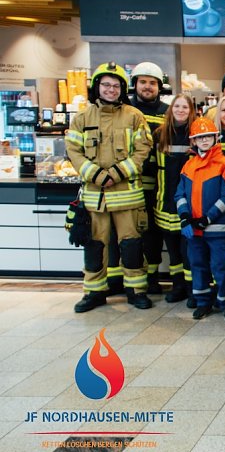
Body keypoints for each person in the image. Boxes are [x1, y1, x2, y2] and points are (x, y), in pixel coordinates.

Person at [66, 62, 154, 313]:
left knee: (132, 245)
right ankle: (94, 292)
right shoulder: (82, 118)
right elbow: (73, 152)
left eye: (116, 86)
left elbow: (142, 151)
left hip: (126, 195)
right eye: (106, 84)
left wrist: (116, 173)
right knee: (95, 246)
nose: (111, 90)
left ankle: (136, 290)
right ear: (97, 87)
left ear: (123, 89)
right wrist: (95, 174)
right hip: (96, 197)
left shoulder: (134, 116)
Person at [175, 117, 225, 321]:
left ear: (215, 137)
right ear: (193, 141)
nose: (204, 141)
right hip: (194, 230)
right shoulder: (188, 165)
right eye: (199, 137)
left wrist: (208, 218)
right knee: (198, 266)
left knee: (222, 266)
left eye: (207, 136)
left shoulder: (224, 163)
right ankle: (203, 303)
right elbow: (179, 195)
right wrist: (184, 217)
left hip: (217, 229)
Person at [129, 61, 170, 294]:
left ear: (159, 86)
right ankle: (131, 280)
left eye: (152, 83)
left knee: (153, 233)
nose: (147, 87)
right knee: (132, 234)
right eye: (143, 82)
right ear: (135, 84)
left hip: (158, 184)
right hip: (129, 183)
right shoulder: (126, 111)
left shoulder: (167, 113)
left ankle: (151, 277)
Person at [153, 93, 194, 305]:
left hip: (188, 201)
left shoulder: (195, 134)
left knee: (189, 251)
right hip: (164, 199)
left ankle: (192, 289)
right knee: (173, 251)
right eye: (177, 106)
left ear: (191, 111)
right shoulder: (160, 134)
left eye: (184, 107)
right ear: (171, 109)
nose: (180, 110)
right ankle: (178, 286)